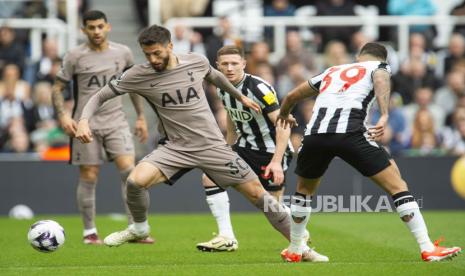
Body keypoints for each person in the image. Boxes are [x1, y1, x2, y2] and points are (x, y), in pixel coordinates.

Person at [74, 25, 325, 262]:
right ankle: (139, 228)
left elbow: (214, 76)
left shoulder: (196, 61)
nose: (152, 59)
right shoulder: (138, 74)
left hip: (212, 147)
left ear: (170, 46)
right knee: (134, 181)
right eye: (147, 54)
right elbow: (101, 95)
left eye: (157, 53)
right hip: (175, 148)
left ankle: (301, 248)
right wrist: (84, 119)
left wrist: (240, 97)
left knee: (261, 197)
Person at [277, 42, 461, 262]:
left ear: (358, 56)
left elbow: (290, 96)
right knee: (397, 186)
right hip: (350, 133)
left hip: (315, 134)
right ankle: (427, 247)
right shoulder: (379, 67)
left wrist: (285, 113)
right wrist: (383, 115)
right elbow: (381, 79)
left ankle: (296, 249)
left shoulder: (332, 70)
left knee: (304, 190)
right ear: (383, 60)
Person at [52, 10, 152, 245]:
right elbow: (57, 87)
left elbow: (132, 85)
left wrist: (140, 116)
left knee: (130, 172)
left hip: (116, 120)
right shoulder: (74, 56)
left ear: (108, 27)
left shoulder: (123, 52)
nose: (96, 31)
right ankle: (89, 233)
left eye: (100, 26)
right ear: (83, 30)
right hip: (85, 123)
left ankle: (136, 229)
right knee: (89, 174)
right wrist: (63, 116)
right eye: (91, 27)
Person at [195, 45, 294, 253]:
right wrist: (229, 147)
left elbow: (282, 125)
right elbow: (232, 116)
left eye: (234, 63)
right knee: (210, 176)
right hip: (245, 146)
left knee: (272, 207)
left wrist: (276, 161)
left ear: (243, 64)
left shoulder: (259, 89)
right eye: (225, 64)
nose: (230, 68)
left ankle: (299, 236)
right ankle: (226, 237)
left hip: (271, 150)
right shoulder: (221, 86)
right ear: (217, 66)